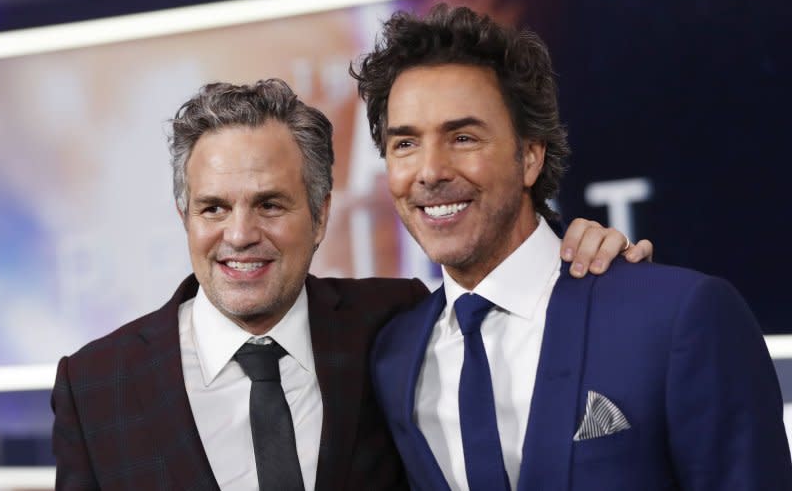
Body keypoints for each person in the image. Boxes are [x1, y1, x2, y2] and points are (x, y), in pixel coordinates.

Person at [51, 79, 648, 490]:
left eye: (270, 204)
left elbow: (506, 287)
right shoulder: (96, 386)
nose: (240, 234)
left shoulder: (395, 322)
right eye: (212, 209)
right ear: (184, 219)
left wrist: (580, 253)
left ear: (321, 215)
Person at [356, 5, 792, 490]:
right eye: (405, 144)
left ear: (529, 157)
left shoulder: (678, 317)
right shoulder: (392, 357)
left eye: (463, 137)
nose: (430, 170)